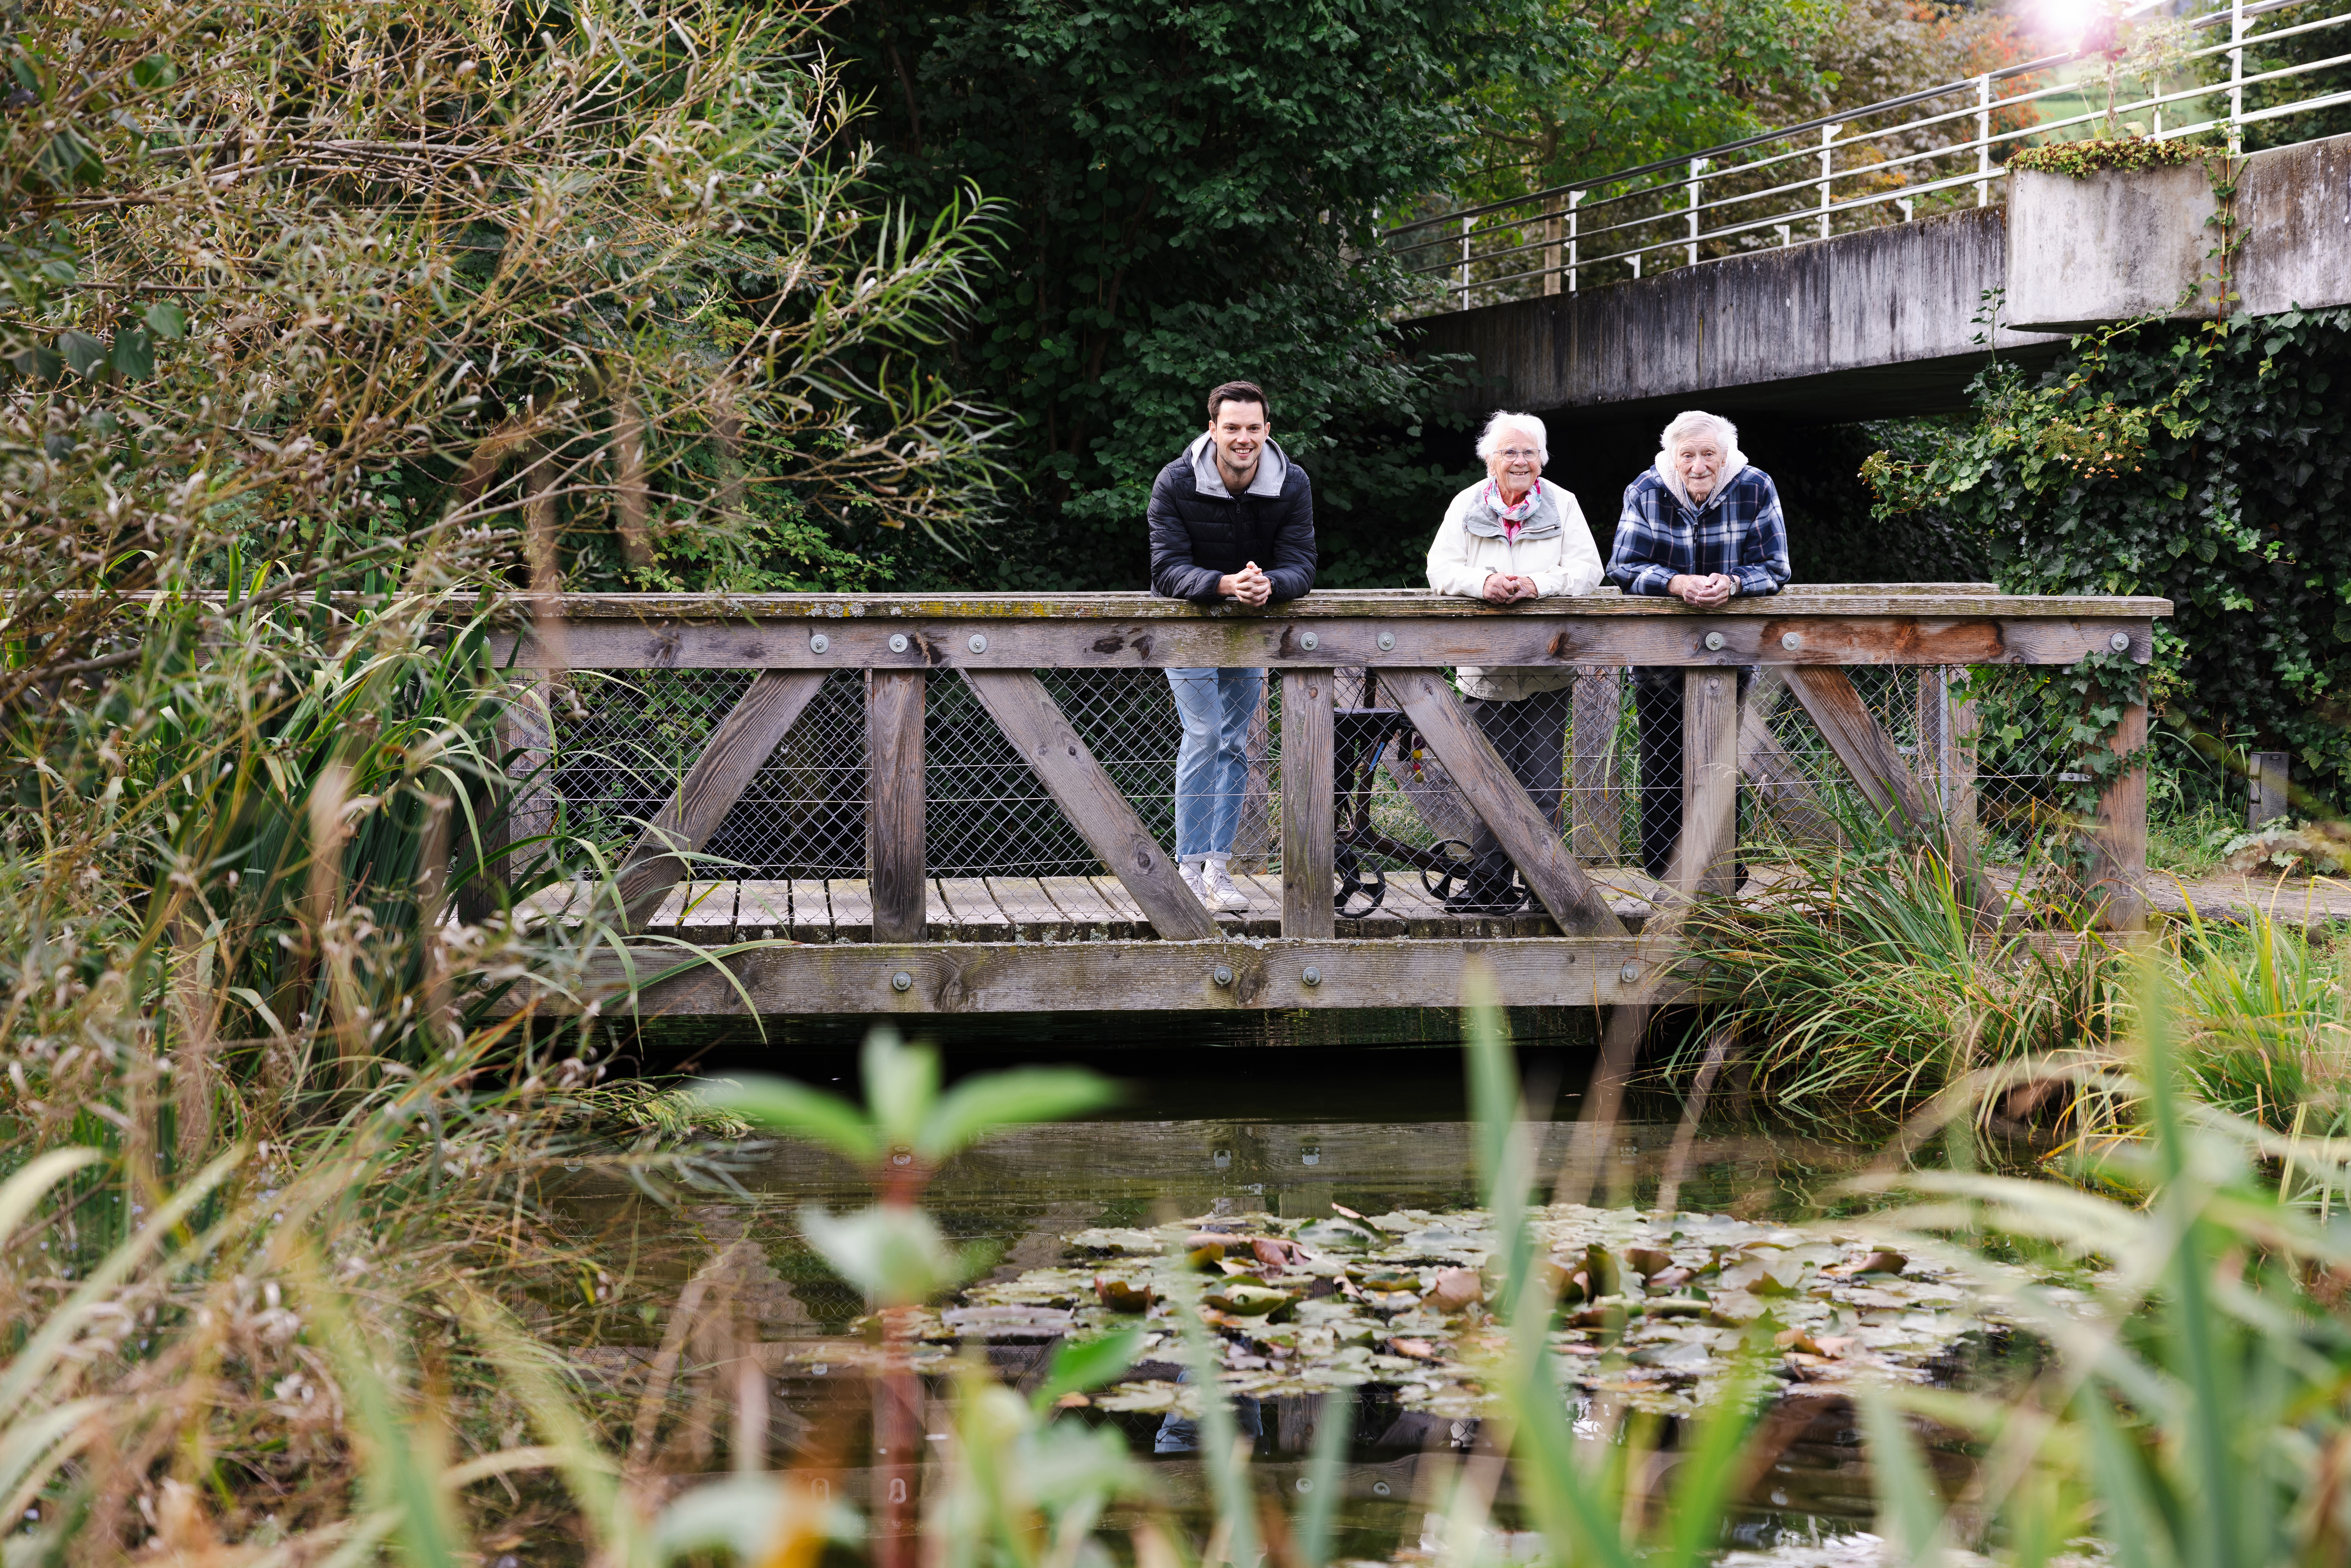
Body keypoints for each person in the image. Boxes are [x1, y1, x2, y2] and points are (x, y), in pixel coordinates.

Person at [1425, 411, 1607, 912]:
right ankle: (1489, 887)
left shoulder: (1563, 504)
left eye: (1529, 452)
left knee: (1542, 787)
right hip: (1484, 672)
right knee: (1488, 785)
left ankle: (1546, 891)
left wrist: (1536, 585)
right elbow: (1439, 569)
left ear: (1542, 460)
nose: (1520, 461)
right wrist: (1483, 583)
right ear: (1490, 459)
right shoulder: (1466, 504)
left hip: (1547, 671)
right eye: (1509, 451)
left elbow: (1589, 570)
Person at [1148, 380, 1317, 913]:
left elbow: (1301, 564)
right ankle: (1188, 870)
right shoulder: (1175, 481)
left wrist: (1271, 585)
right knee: (1203, 734)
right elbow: (1165, 569)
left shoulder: (1292, 482)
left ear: (1267, 430)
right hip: (1191, 628)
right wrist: (1224, 584)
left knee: (1235, 743)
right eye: (1232, 428)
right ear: (1213, 430)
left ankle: (1218, 870)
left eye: (1253, 428)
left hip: (1249, 628)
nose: (1243, 438)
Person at [1606, 409, 1791, 882]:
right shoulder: (1646, 489)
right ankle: (1663, 872)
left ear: (1725, 455)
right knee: (1662, 761)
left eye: (1709, 454)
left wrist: (1733, 583)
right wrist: (1676, 583)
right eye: (1687, 455)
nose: (1698, 465)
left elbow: (1775, 568)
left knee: (1722, 762)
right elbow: (1624, 567)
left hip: (1730, 653)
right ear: (1672, 456)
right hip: (1660, 653)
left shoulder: (1755, 486)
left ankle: (1724, 871)